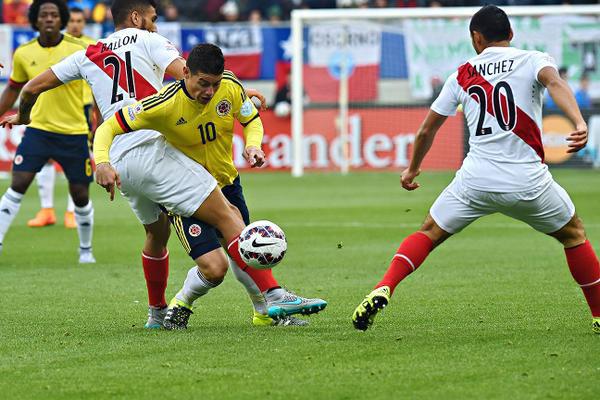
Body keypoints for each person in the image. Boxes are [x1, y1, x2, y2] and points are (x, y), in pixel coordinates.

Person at [2, 0, 326, 328]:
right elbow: (187, 74)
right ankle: (273, 295)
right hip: (150, 149)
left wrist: (24, 116)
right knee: (228, 213)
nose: (156, 25)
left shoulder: (87, 53)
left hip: (118, 160)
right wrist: (229, 85)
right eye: (153, 19)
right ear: (136, 17)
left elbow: (31, 87)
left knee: (156, 232)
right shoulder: (149, 40)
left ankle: (156, 313)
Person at [351, 5, 600, 334]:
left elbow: (426, 130)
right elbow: (554, 82)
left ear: (476, 38)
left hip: (475, 181)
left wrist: (412, 170)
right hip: (528, 182)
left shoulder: (462, 74)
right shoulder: (534, 59)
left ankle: (384, 286)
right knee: (574, 235)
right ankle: (598, 315)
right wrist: (579, 121)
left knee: (428, 233)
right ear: (510, 35)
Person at [92, 43, 327, 329]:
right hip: (185, 192)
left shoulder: (229, 85)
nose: (210, 92)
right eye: (203, 84)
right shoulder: (164, 104)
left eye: (214, 85)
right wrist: (102, 161)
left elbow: (250, 119)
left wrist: (253, 146)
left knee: (245, 250)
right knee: (216, 268)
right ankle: (184, 302)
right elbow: (109, 127)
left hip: (226, 183)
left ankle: (265, 311)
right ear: (186, 73)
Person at [0, 0, 95, 263]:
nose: (50, 18)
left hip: (74, 132)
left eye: (55, 14)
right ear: (36, 20)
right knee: (17, 183)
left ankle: (85, 250)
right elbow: (13, 89)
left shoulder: (79, 49)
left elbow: (98, 85)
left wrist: (99, 121)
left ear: (62, 18)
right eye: (44, 15)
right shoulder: (23, 52)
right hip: (37, 130)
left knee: (80, 195)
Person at [28, 6, 96, 229]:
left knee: (76, 161)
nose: (76, 24)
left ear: (84, 24)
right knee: (46, 159)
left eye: (79, 20)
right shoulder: (58, 44)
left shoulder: (89, 46)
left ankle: (71, 212)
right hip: (50, 111)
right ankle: (46, 209)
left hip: (82, 110)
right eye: (73, 21)